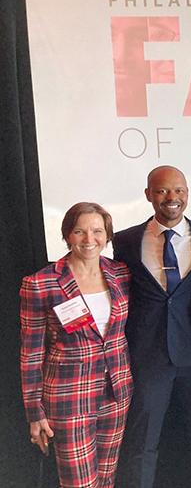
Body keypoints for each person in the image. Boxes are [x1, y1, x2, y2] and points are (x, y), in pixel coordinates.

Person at [114, 165, 191, 488]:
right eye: (163, 191)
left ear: (187, 195)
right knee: (143, 444)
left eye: (179, 190)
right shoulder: (125, 241)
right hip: (149, 358)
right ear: (148, 195)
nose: (172, 198)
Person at [20, 202, 132, 487]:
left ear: (107, 236)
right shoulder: (41, 283)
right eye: (79, 231)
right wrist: (35, 413)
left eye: (97, 231)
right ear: (67, 235)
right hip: (70, 399)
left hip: (116, 394)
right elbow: (31, 354)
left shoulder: (120, 274)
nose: (89, 239)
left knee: (107, 480)